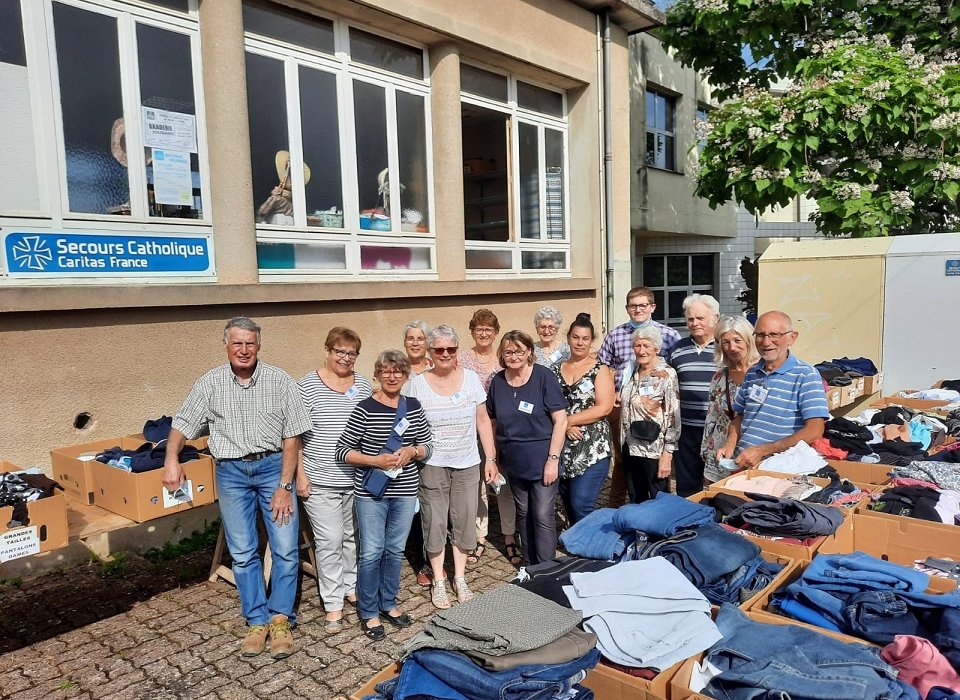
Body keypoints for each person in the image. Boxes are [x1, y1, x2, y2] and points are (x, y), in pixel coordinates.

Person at [162, 317, 311, 659]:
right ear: (226, 345)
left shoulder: (279, 380)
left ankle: (280, 619)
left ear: (259, 346)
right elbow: (182, 424)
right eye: (237, 343)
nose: (243, 350)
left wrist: (285, 485)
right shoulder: (209, 383)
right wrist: (172, 459)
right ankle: (257, 621)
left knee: (286, 548)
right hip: (231, 473)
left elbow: (293, 436)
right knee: (243, 552)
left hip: (274, 467)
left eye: (250, 343)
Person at [335, 351, 432, 641]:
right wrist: (375, 461)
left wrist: (412, 451)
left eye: (398, 372)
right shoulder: (364, 408)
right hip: (370, 491)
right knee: (372, 551)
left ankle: (388, 603)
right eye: (386, 372)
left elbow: (427, 444)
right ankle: (368, 612)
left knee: (394, 550)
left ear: (405, 376)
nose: (392, 377)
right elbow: (342, 450)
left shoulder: (413, 407)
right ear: (377, 375)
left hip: (404, 491)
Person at [406, 325, 499, 609]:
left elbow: (483, 420)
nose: (445, 354)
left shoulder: (471, 379)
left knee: (464, 522)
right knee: (434, 523)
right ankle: (438, 580)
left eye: (450, 349)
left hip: (468, 463)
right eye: (439, 349)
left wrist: (491, 458)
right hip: (432, 465)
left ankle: (459, 578)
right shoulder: (417, 384)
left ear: (457, 350)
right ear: (430, 352)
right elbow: (407, 426)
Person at [296, 327, 372, 634]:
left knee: (352, 536)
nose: (345, 358)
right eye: (339, 351)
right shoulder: (307, 386)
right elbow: (295, 434)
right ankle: (332, 603)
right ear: (327, 351)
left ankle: (351, 585)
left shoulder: (363, 384)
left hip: (356, 480)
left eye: (351, 353)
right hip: (319, 479)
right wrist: (300, 474)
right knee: (328, 541)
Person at [487, 330, 567, 565]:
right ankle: (531, 567)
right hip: (514, 461)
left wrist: (553, 459)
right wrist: (493, 458)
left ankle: (547, 568)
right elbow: (492, 422)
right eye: (508, 351)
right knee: (523, 513)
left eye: (519, 351)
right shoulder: (498, 382)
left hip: (543, 459)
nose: (514, 356)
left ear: (529, 351)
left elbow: (560, 420)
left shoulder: (543, 377)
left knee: (542, 514)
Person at [598, 286, 681, 508]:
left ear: (652, 307)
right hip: (624, 414)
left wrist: (668, 452)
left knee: (656, 485)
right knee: (625, 467)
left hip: (655, 425)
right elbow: (603, 368)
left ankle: (658, 530)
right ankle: (619, 511)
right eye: (633, 306)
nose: (641, 350)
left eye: (643, 305)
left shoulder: (670, 338)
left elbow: (673, 409)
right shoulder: (618, 341)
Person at [717, 311, 830, 470]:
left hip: (779, 469)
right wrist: (729, 445)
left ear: (792, 337)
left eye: (774, 335)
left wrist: (763, 450)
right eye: (760, 335)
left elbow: (815, 430)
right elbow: (740, 416)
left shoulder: (806, 375)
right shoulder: (752, 373)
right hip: (742, 464)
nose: (766, 342)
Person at [458, 309, 519, 565]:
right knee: (478, 488)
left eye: (489, 329)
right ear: (472, 331)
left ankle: (509, 536)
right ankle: (479, 536)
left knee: (503, 486)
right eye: (479, 329)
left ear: (496, 332)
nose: (484, 333)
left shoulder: (504, 358)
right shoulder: (462, 358)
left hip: (502, 432)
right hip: (471, 433)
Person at [553, 313, 614, 525]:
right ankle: (576, 546)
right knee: (568, 502)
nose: (580, 342)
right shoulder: (555, 370)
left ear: (591, 341)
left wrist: (568, 421)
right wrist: (565, 425)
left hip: (592, 448)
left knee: (581, 503)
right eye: (576, 337)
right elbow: (548, 406)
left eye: (585, 338)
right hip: (561, 447)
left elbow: (604, 407)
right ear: (568, 338)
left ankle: (594, 545)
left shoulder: (600, 369)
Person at [619, 326, 680, 504]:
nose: (641, 350)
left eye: (646, 345)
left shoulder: (666, 374)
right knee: (635, 497)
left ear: (657, 349)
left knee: (658, 499)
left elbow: (673, 415)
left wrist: (667, 455)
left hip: (654, 449)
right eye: (637, 346)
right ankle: (638, 531)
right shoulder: (631, 372)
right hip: (630, 446)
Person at [668, 294, 721, 496]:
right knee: (687, 485)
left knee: (718, 483)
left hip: (717, 431)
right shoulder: (677, 350)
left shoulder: (726, 347)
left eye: (700, 318)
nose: (694, 323)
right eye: (690, 319)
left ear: (716, 318)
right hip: (687, 430)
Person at [701, 316, 759, 484]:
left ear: (749, 340)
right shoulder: (720, 376)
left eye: (737, 340)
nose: (732, 347)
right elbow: (711, 415)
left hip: (750, 451)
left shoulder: (761, 373)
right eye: (726, 342)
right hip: (720, 452)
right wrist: (706, 450)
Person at [401, 319, 432, 588]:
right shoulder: (398, 371)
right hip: (406, 448)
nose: (415, 343)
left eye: (420, 338)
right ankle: (418, 560)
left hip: (433, 447)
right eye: (411, 338)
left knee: (434, 507)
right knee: (413, 508)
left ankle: (432, 558)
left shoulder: (436, 367)